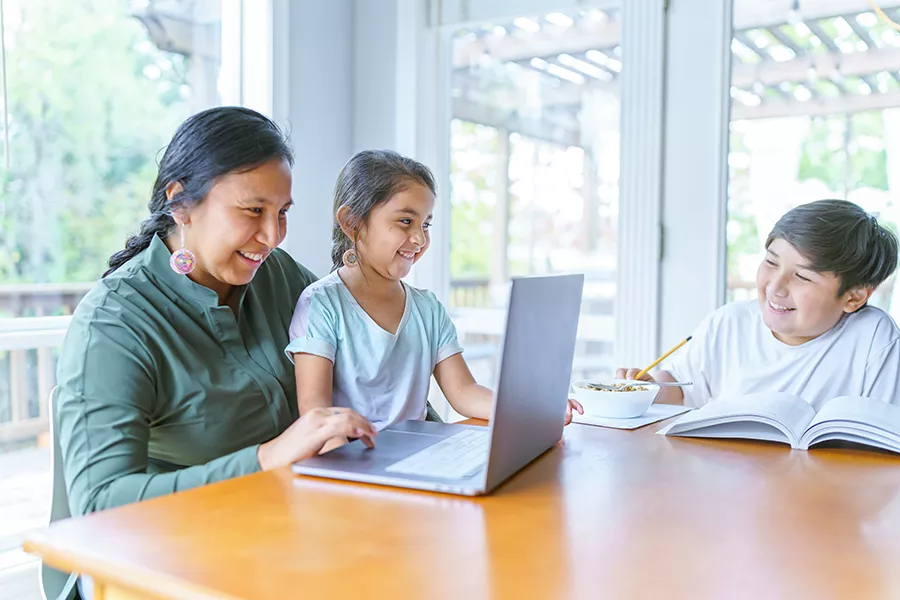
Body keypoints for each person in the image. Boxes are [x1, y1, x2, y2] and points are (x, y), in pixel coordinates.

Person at [55, 107, 378, 523]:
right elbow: (99, 504)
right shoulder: (113, 323)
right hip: (173, 555)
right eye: (252, 210)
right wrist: (266, 458)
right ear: (180, 204)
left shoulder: (280, 276)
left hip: (293, 523)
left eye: (282, 212)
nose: (272, 236)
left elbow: (374, 362)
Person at [286, 149, 582, 452]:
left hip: (418, 457)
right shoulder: (322, 304)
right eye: (405, 221)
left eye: (425, 224)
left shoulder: (427, 309)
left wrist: (533, 410)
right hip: (354, 468)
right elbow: (317, 419)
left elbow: (464, 392)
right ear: (352, 222)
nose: (419, 239)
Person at [617, 199, 900, 409]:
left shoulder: (873, 338)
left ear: (854, 297)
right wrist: (650, 388)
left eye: (802, 276)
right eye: (771, 262)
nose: (775, 287)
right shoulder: (728, 323)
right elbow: (680, 389)